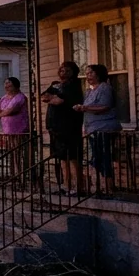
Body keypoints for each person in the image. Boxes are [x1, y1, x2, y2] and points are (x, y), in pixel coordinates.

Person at [75, 64, 122, 197]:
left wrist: (84, 108)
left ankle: (108, 187)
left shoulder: (105, 88)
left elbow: (104, 106)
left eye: (91, 73)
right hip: (92, 129)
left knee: (103, 157)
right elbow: (86, 109)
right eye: (87, 73)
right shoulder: (89, 91)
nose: (88, 76)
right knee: (96, 158)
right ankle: (99, 186)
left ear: (99, 74)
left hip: (104, 129)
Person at [41, 62, 84, 195]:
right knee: (62, 158)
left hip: (69, 126)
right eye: (62, 70)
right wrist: (53, 97)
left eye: (67, 70)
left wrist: (54, 98)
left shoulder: (74, 86)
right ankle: (66, 186)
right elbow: (43, 97)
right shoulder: (55, 84)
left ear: (73, 72)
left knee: (73, 157)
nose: (63, 72)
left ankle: (78, 187)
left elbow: (59, 101)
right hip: (55, 127)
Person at [0, 76, 29, 178]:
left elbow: (12, 110)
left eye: (9, 84)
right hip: (7, 130)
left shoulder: (20, 97)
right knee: (12, 153)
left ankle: (21, 176)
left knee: (19, 153)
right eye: (5, 84)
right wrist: (4, 112)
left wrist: (3, 112)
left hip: (19, 130)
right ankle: (13, 175)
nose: (6, 86)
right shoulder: (3, 98)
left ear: (16, 86)